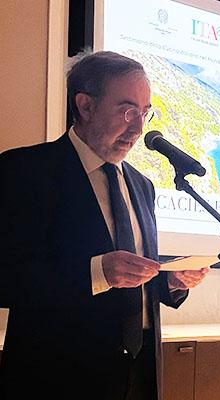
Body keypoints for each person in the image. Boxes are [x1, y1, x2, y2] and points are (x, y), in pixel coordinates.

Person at [0, 51, 208, 399]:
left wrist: (169, 282)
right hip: (55, 378)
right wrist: (96, 273)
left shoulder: (142, 185)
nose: (138, 128)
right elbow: (6, 278)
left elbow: (134, 282)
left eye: (144, 112)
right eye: (127, 111)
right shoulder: (26, 171)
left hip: (139, 374)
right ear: (85, 106)